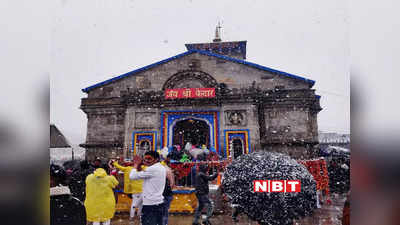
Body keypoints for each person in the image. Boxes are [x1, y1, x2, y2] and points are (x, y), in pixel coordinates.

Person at [130, 151, 167, 225]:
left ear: (156, 159)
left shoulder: (152, 169)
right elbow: (142, 173)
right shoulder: (160, 167)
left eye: (149, 159)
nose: (146, 161)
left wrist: (136, 164)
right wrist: (140, 165)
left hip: (150, 204)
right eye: (145, 159)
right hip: (158, 203)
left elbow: (132, 176)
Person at [161, 158, 175, 225]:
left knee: (161, 211)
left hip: (160, 194)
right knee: (165, 212)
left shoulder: (160, 169)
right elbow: (172, 183)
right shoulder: (168, 170)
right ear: (169, 163)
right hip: (167, 193)